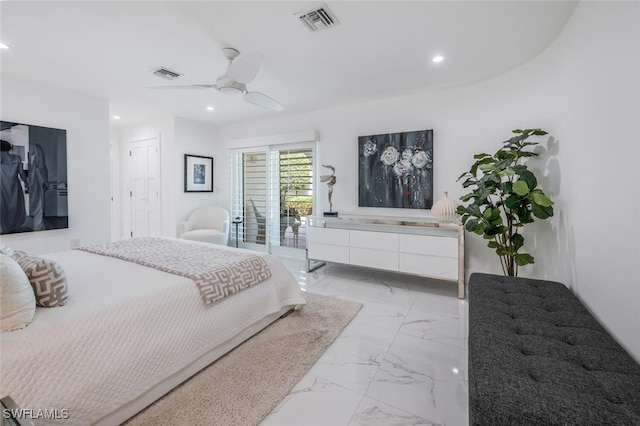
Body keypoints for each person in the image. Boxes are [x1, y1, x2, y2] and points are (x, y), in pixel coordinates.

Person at [0, 140, 28, 234]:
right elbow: (21, 173)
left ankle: (5, 228)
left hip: (2, 187)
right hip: (14, 187)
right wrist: (27, 183)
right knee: (14, 207)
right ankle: (12, 228)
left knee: (3, 207)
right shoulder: (16, 158)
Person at [28, 143, 48, 231]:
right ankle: (38, 231)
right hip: (33, 182)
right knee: (38, 209)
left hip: (13, 181)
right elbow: (41, 167)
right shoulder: (35, 148)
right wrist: (45, 182)